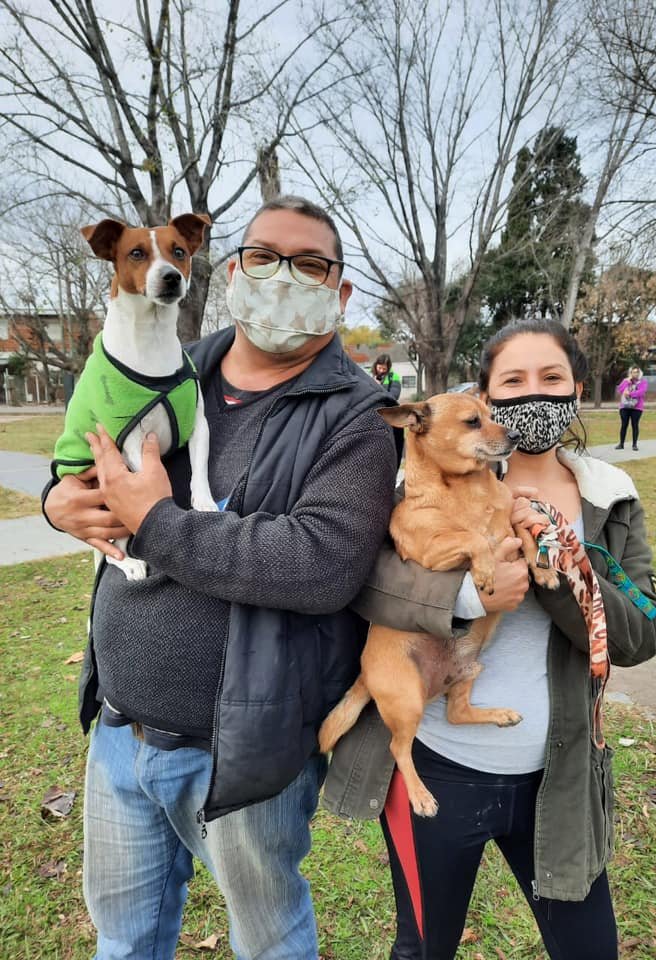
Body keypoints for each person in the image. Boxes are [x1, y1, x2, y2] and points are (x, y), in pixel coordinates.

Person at [41, 195, 399, 960]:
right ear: (232, 271)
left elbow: (320, 566)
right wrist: (54, 501)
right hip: (119, 731)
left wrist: (158, 523)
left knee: (268, 941)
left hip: (242, 753)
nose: (280, 278)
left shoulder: (356, 419)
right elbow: (84, 456)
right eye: (263, 256)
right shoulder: (168, 365)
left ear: (339, 294)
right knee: (124, 940)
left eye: (309, 265)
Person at [324, 318, 656, 960]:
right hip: (440, 764)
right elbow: (363, 591)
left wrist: (561, 573)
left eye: (552, 378)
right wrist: (467, 594)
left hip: (559, 777)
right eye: (514, 380)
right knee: (422, 947)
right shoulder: (416, 490)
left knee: (590, 950)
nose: (532, 394)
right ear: (485, 395)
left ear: (576, 389)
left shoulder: (610, 497)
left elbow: (642, 632)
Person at [615, 365, 647, 451]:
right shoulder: (626, 381)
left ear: (640, 373)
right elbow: (620, 390)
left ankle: (634, 445)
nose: (635, 374)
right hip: (624, 407)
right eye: (633, 372)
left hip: (637, 408)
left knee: (635, 425)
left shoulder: (642, 382)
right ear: (630, 373)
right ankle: (621, 444)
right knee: (624, 425)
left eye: (637, 372)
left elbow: (641, 392)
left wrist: (630, 394)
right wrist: (626, 381)